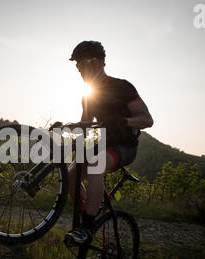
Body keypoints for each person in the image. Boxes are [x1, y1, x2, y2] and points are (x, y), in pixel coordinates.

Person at [64, 40, 154, 245]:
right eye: (78, 65)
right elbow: (84, 128)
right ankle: (88, 216)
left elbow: (147, 119)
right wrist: (67, 128)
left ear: (102, 63)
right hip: (104, 145)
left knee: (96, 165)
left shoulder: (122, 87)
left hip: (125, 146)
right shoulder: (87, 97)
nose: (82, 69)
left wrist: (124, 121)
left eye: (86, 62)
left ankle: (87, 227)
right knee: (70, 175)